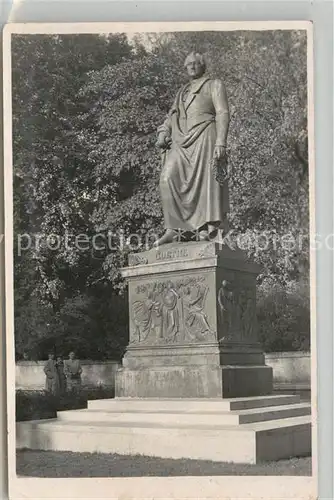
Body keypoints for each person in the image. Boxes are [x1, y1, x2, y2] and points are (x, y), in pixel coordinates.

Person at [154, 51, 230, 247]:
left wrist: (221, 141)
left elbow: (222, 112)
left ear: (202, 65)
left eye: (195, 63)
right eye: (188, 64)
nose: (191, 66)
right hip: (181, 141)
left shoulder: (214, 85)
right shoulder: (182, 92)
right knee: (166, 178)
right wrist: (163, 132)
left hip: (205, 135)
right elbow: (171, 117)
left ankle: (205, 228)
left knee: (207, 183)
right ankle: (174, 229)